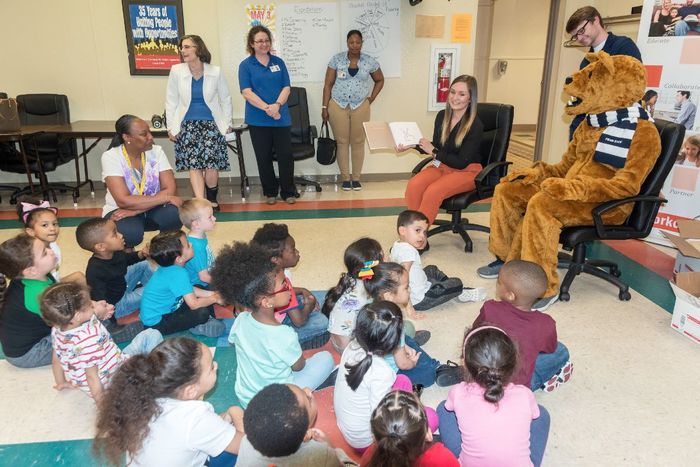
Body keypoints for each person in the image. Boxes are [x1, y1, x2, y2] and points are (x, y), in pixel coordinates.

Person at [211, 241, 335, 408]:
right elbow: (299, 367)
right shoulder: (283, 334)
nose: (288, 287)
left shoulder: (240, 320)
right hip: (275, 400)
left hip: (247, 397)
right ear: (266, 301)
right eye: (284, 285)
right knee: (325, 359)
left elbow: (234, 341)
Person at [94, 337, 245, 467]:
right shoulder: (195, 417)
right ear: (190, 391)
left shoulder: (144, 399)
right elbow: (248, 447)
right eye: (211, 367)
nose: (216, 366)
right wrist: (235, 411)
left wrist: (219, 423)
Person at [437, 326, 550, 467]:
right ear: (514, 362)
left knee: (444, 408)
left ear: (464, 363)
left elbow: (448, 408)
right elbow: (534, 415)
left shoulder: (458, 392)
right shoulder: (524, 394)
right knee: (542, 414)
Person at [334, 301, 439, 452]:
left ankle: (407, 400)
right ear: (394, 344)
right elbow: (381, 421)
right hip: (367, 442)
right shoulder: (381, 372)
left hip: (350, 426)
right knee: (431, 416)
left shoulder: (353, 346)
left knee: (403, 380)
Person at [39, 282, 163, 402]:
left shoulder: (58, 329)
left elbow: (56, 358)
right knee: (152, 335)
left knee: (147, 339)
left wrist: (61, 382)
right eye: (89, 305)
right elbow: (92, 377)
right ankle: (157, 380)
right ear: (77, 316)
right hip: (117, 378)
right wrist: (102, 404)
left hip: (108, 367)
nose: (93, 304)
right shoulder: (87, 341)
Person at [473, 260, 573, 392]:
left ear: (510, 295)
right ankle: (544, 379)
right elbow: (549, 349)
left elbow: (474, 334)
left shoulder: (489, 308)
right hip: (514, 389)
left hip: (480, 375)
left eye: (499, 282)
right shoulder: (545, 323)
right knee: (561, 350)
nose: (496, 284)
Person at [364, 261, 462, 389]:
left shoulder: (369, 308)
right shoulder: (392, 323)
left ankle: (404, 345)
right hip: (387, 373)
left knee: (406, 337)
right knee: (427, 374)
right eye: (406, 287)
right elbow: (403, 365)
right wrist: (412, 363)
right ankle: (437, 369)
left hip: (373, 360)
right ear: (388, 296)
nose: (409, 290)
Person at [402, 75, 484, 225]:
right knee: (414, 185)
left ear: (471, 99)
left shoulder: (475, 125)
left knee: (433, 191)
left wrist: (433, 151)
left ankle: (419, 235)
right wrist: (412, 144)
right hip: (443, 165)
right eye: (452, 92)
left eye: (462, 94)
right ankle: (414, 229)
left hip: (467, 171)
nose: (455, 97)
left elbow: (460, 162)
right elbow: (438, 146)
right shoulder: (442, 116)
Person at [166, 34, 233, 211]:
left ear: (199, 49)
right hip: (186, 124)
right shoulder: (176, 71)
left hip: (211, 124)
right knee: (194, 165)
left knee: (211, 164)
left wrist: (227, 123)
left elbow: (225, 98)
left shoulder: (215, 71)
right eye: (182, 47)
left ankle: (212, 197)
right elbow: (171, 100)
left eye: (187, 47)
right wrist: (171, 126)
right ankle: (200, 201)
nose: (183, 50)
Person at [0, 234, 84, 368]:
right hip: (29, 354)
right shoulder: (37, 294)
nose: (51, 251)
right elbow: (69, 321)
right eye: (45, 253)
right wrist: (94, 310)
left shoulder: (39, 276)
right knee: (86, 334)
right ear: (31, 271)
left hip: (30, 340)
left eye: (47, 248)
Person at [102, 114, 183, 248]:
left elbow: (169, 189)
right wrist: (164, 198)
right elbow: (123, 201)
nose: (151, 137)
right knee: (130, 233)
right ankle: (128, 258)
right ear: (127, 137)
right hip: (119, 210)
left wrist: (137, 211)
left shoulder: (157, 152)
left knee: (174, 214)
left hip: (150, 208)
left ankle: (165, 252)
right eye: (144, 134)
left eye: (149, 132)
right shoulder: (111, 156)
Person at [239, 25, 296, 205]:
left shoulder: (278, 62)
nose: (264, 44)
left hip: (281, 117)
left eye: (266, 40)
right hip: (258, 119)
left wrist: (277, 105)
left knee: (286, 156)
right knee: (263, 157)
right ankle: (270, 192)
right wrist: (268, 108)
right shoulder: (246, 65)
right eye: (259, 41)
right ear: (252, 44)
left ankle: (288, 191)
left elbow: (286, 87)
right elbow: (246, 92)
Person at [566, 6, 642, 139]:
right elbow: (582, 97)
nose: (579, 38)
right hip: (588, 128)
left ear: (595, 20)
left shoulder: (624, 46)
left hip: (616, 128)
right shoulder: (586, 61)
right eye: (575, 36)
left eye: (582, 31)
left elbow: (633, 88)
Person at [322, 29, 385, 191]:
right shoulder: (336, 60)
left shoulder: (370, 61)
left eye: (358, 42)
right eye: (351, 42)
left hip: (360, 106)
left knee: (358, 142)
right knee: (342, 142)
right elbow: (328, 84)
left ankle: (356, 178)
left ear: (362, 43)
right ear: (347, 43)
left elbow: (380, 80)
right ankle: (345, 178)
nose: (355, 45)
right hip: (337, 105)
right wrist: (324, 107)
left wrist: (372, 98)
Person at [251, 223, 330, 349]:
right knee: (322, 323)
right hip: (272, 332)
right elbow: (299, 321)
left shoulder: (263, 274)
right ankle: (287, 344)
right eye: (293, 250)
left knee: (305, 299)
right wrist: (309, 306)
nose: (298, 253)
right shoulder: (281, 281)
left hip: (261, 321)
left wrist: (302, 290)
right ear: (275, 259)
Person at [237, 383, 355, 466]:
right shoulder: (321, 454)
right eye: (308, 399)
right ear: (305, 436)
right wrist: (332, 449)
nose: (308, 390)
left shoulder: (246, 441)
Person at [390, 210, 486, 311]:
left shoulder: (397, 245)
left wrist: (421, 241)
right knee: (457, 282)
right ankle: (459, 292)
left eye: (424, 232)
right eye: (418, 230)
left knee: (431, 269)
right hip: (422, 299)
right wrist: (409, 308)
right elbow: (403, 280)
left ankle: (442, 287)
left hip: (420, 287)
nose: (422, 236)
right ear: (402, 230)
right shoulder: (408, 252)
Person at [77, 217, 151, 342]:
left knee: (146, 264)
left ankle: (148, 290)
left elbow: (126, 260)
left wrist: (141, 254)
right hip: (117, 303)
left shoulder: (114, 252)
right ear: (101, 246)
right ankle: (151, 293)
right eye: (115, 234)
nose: (121, 235)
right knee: (156, 289)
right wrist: (111, 322)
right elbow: (99, 298)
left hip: (122, 284)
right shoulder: (95, 270)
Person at [139, 230, 225, 337]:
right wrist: (215, 298)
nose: (191, 244)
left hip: (168, 310)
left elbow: (189, 288)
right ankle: (200, 325)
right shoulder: (178, 273)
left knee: (199, 287)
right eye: (188, 245)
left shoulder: (170, 268)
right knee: (201, 313)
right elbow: (194, 305)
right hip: (157, 324)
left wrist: (212, 294)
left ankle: (205, 321)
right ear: (179, 259)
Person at [360, 390, 459, 466]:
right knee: (442, 408)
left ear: (375, 438)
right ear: (428, 434)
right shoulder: (441, 459)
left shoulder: (369, 458)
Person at [323, 237, 385, 353]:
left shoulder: (349, 280)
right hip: (353, 350)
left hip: (336, 341)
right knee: (403, 327)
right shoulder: (370, 291)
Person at [17, 197, 61, 279]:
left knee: (78, 276)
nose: (52, 228)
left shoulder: (52, 244)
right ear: (30, 231)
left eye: (54, 224)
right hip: (42, 287)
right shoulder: (29, 252)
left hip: (51, 281)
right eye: (45, 225)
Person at [179, 198, 217, 287]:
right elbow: (203, 277)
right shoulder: (195, 246)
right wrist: (224, 284)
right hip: (200, 284)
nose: (214, 218)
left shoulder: (200, 235)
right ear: (196, 224)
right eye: (210, 217)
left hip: (208, 273)